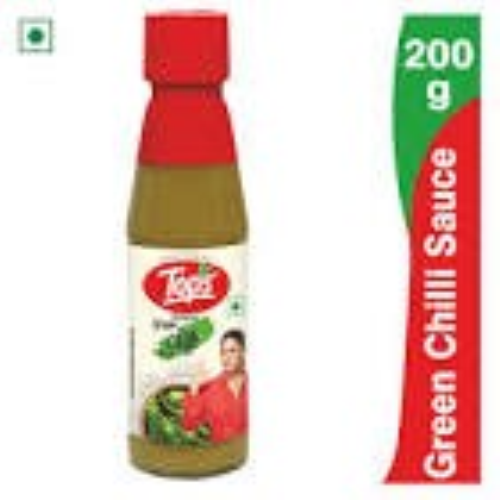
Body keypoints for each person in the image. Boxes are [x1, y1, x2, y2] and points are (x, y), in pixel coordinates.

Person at [183, 329, 248, 443]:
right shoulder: (210, 388)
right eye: (223, 352)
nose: (226, 358)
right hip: (221, 450)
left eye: (232, 351)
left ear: (243, 352)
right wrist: (194, 389)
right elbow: (189, 425)